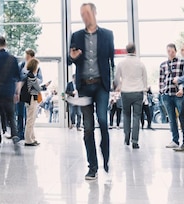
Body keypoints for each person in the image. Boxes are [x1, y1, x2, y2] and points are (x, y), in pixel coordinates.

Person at [67, 3, 115, 180]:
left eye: (87, 13)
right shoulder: (76, 36)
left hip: (101, 85)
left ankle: (106, 158)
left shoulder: (108, 35)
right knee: (88, 128)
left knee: (103, 121)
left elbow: (111, 61)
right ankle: (92, 166)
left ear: (95, 12)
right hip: (85, 86)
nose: (84, 17)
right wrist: (71, 57)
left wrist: (114, 81)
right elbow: (69, 59)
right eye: (81, 15)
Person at [114, 43, 147, 149]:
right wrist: (144, 91)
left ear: (126, 51)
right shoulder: (140, 63)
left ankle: (126, 138)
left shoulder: (121, 63)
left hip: (125, 92)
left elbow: (116, 78)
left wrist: (119, 86)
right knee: (136, 116)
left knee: (126, 115)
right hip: (138, 92)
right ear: (135, 51)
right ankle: (135, 141)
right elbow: (145, 79)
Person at [159, 43, 184, 148]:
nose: (170, 53)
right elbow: (161, 80)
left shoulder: (182, 63)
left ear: (176, 51)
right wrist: (162, 90)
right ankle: (175, 140)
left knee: (182, 117)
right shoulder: (163, 65)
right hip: (167, 95)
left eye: (172, 51)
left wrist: (182, 89)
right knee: (171, 118)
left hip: (178, 94)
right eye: (168, 51)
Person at [17, 49, 43, 140]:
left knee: (30, 118)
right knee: (29, 118)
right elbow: (36, 85)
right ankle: (27, 138)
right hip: (29, 96)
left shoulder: (34, 72)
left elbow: (39, 80)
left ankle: (31, 137)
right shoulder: (24, 68)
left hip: (29, 94)